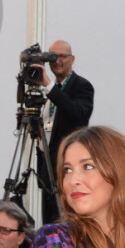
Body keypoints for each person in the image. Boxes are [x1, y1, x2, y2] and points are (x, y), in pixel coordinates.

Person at [36, 40, 94, 224]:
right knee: (49, 221)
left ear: (72, 59)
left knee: (66, 221)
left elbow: (77, 113)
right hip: (47, 167)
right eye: (52, 57)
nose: (57, 61)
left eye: (62, 56)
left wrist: (48, 85)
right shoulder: (46, 90)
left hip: (68, 166)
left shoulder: (82, 86)